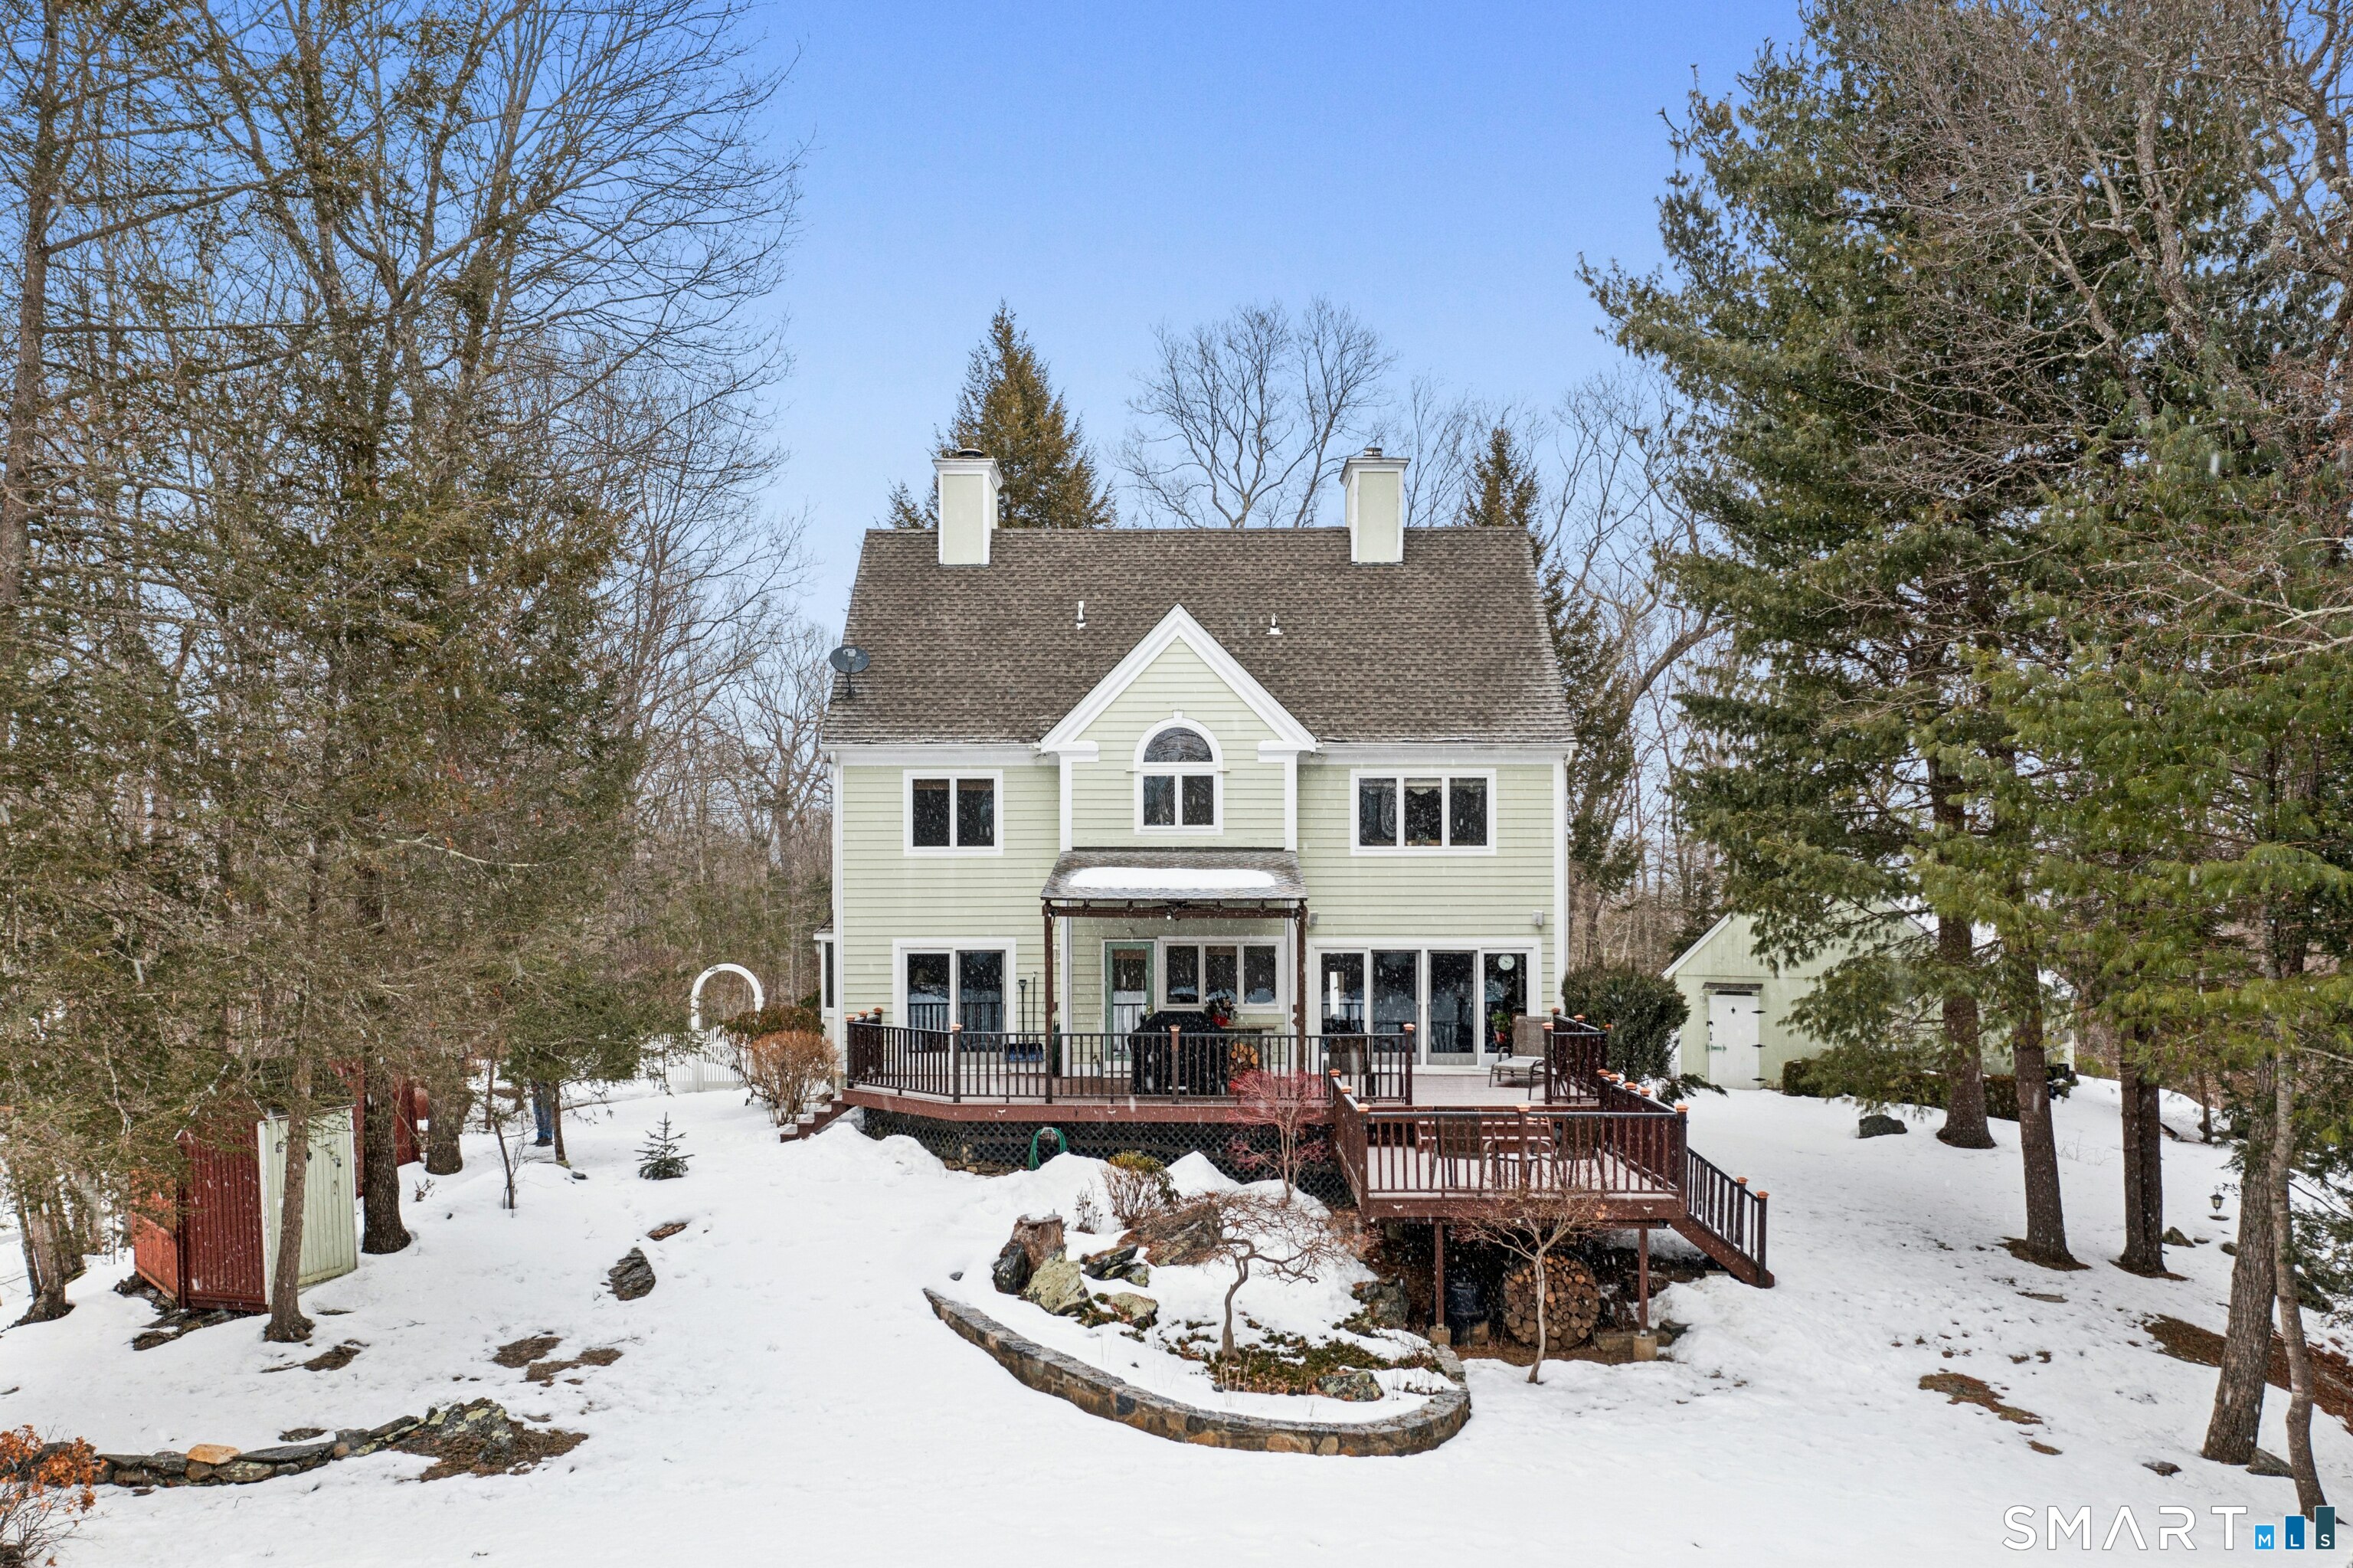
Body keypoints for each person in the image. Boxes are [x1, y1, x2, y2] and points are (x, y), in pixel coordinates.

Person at [530, 1082, 555, 1147]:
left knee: (547, 1112)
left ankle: (548, 1137)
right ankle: (541, 1137)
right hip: (536, 1087)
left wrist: (545, 1084)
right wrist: (533, 1085)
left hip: (546, 1087)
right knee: (538, 1113)